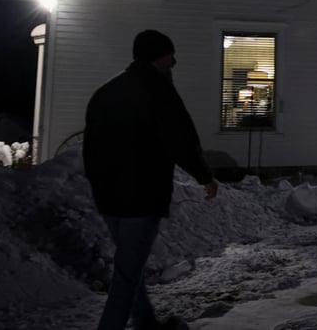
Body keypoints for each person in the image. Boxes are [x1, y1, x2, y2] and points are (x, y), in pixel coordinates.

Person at [83, 29, 218, 330]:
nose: (174, 61)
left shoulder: (106, 92)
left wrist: (98, 184)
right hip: (141, 196)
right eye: (171, 55)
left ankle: (145, 323)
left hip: (108, 196)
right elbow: (180, 139)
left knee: (130, 266)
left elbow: (89, 148)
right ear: (159, 55)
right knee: (127, 274)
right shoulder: (159, 91)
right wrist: (204, 176)